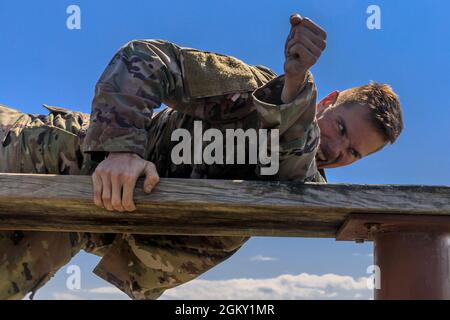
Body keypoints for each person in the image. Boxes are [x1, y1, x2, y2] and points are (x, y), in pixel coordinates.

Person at [0, 14, 403, 300]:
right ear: (328, 102)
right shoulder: (250, 94)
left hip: (70, 223)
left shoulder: (305, 191)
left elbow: (295, 153)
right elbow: (146, 56)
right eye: (342, 129)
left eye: (353, 153)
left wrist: (298, 99)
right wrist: (120, 149)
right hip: (48, 158)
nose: (336, 150)